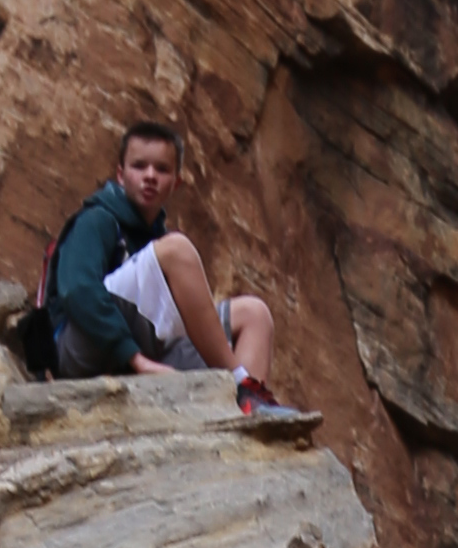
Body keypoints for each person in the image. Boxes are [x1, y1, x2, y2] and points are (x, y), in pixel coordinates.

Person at [41, 114, 314, 422]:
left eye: (161, 169)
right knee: (176, 249)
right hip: (78, 351)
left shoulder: (154, 237)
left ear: (177, 182)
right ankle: (241, 385)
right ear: (120, 174)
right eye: (139, 166)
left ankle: (245, 419)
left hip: (140, 345)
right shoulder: (98, 220)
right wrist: (137, 360)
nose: (149, 176)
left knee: (254, 314)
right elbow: (77, 290)